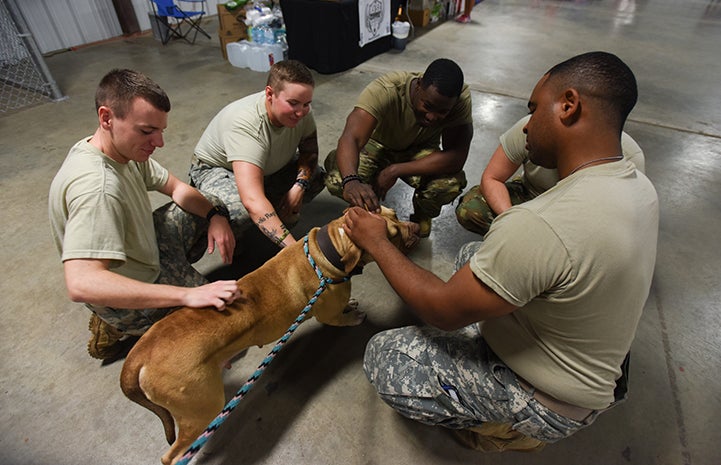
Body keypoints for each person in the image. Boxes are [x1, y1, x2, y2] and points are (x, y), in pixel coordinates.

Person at [342, 51, 658, 451]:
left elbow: (440, 309)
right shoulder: (636, 183)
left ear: (569, 105)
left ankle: (507, 431)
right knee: (474, 255)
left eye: (533, 109)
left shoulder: (543, 223)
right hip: (589, 361)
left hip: (553, 399)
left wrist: (377, 242)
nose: (525, 127)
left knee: (386, 355)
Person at [49, 69, 242, 361]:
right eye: (147, 131)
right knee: (225, 329)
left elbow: (176, 187)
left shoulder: (121, 151)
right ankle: (119, 324)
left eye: (160, 130)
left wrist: (215, 216)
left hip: (141, 250)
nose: (159, 142)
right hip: (128, 287)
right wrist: (187, 295)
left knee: (210, 202)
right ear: (106, 118)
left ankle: (161, 298)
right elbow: (81, 283)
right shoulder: (97, 189)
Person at [324, 58, 473, 237]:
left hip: (420, 150)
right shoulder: (387, 89)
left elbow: (455, 157)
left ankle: (422, 215)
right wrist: (351, 181)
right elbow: (351, 137)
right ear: (418, 86)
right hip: (378, 145)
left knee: (447, 184)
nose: (432, 117)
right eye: (428, 106)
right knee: (339, 178)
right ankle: (368, 212)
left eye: (442, 112)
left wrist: (394, 170)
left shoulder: (460, 100)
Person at [189, 60, 325, 250]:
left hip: (264, 165)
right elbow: (252, 200)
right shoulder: (246, 125)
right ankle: (233, 236)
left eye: (306, 104)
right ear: (270, 94)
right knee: (239, 209)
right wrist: (294, 251)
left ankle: (272, 217)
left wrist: (298, 187)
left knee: (316, 176)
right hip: (217, 169)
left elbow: (310, 153)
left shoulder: (301, 112)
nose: (301, 112)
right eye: (293, 103)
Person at [455, 114, 646, 235]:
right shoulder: (529, 129)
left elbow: (623, 225)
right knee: (472, 208)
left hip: (581, 220)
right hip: (532, 196)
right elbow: (492, 178)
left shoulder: (627, 156)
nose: (527, 126)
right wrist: (512, 221)